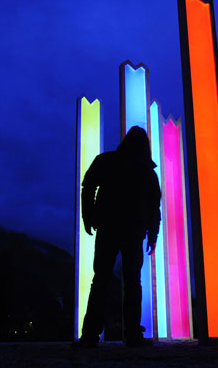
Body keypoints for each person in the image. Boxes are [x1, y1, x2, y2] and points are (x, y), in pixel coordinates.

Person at [73, 126, 161, 348]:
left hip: (108, 228)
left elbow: (88, 187)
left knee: (100, 280)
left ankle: (90, 335)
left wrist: (89, 215)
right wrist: (152, 234)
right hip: (133, 231)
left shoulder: (106, 161)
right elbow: (154, 206)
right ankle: (132, 334)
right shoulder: (147, 171)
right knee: (132, 283)